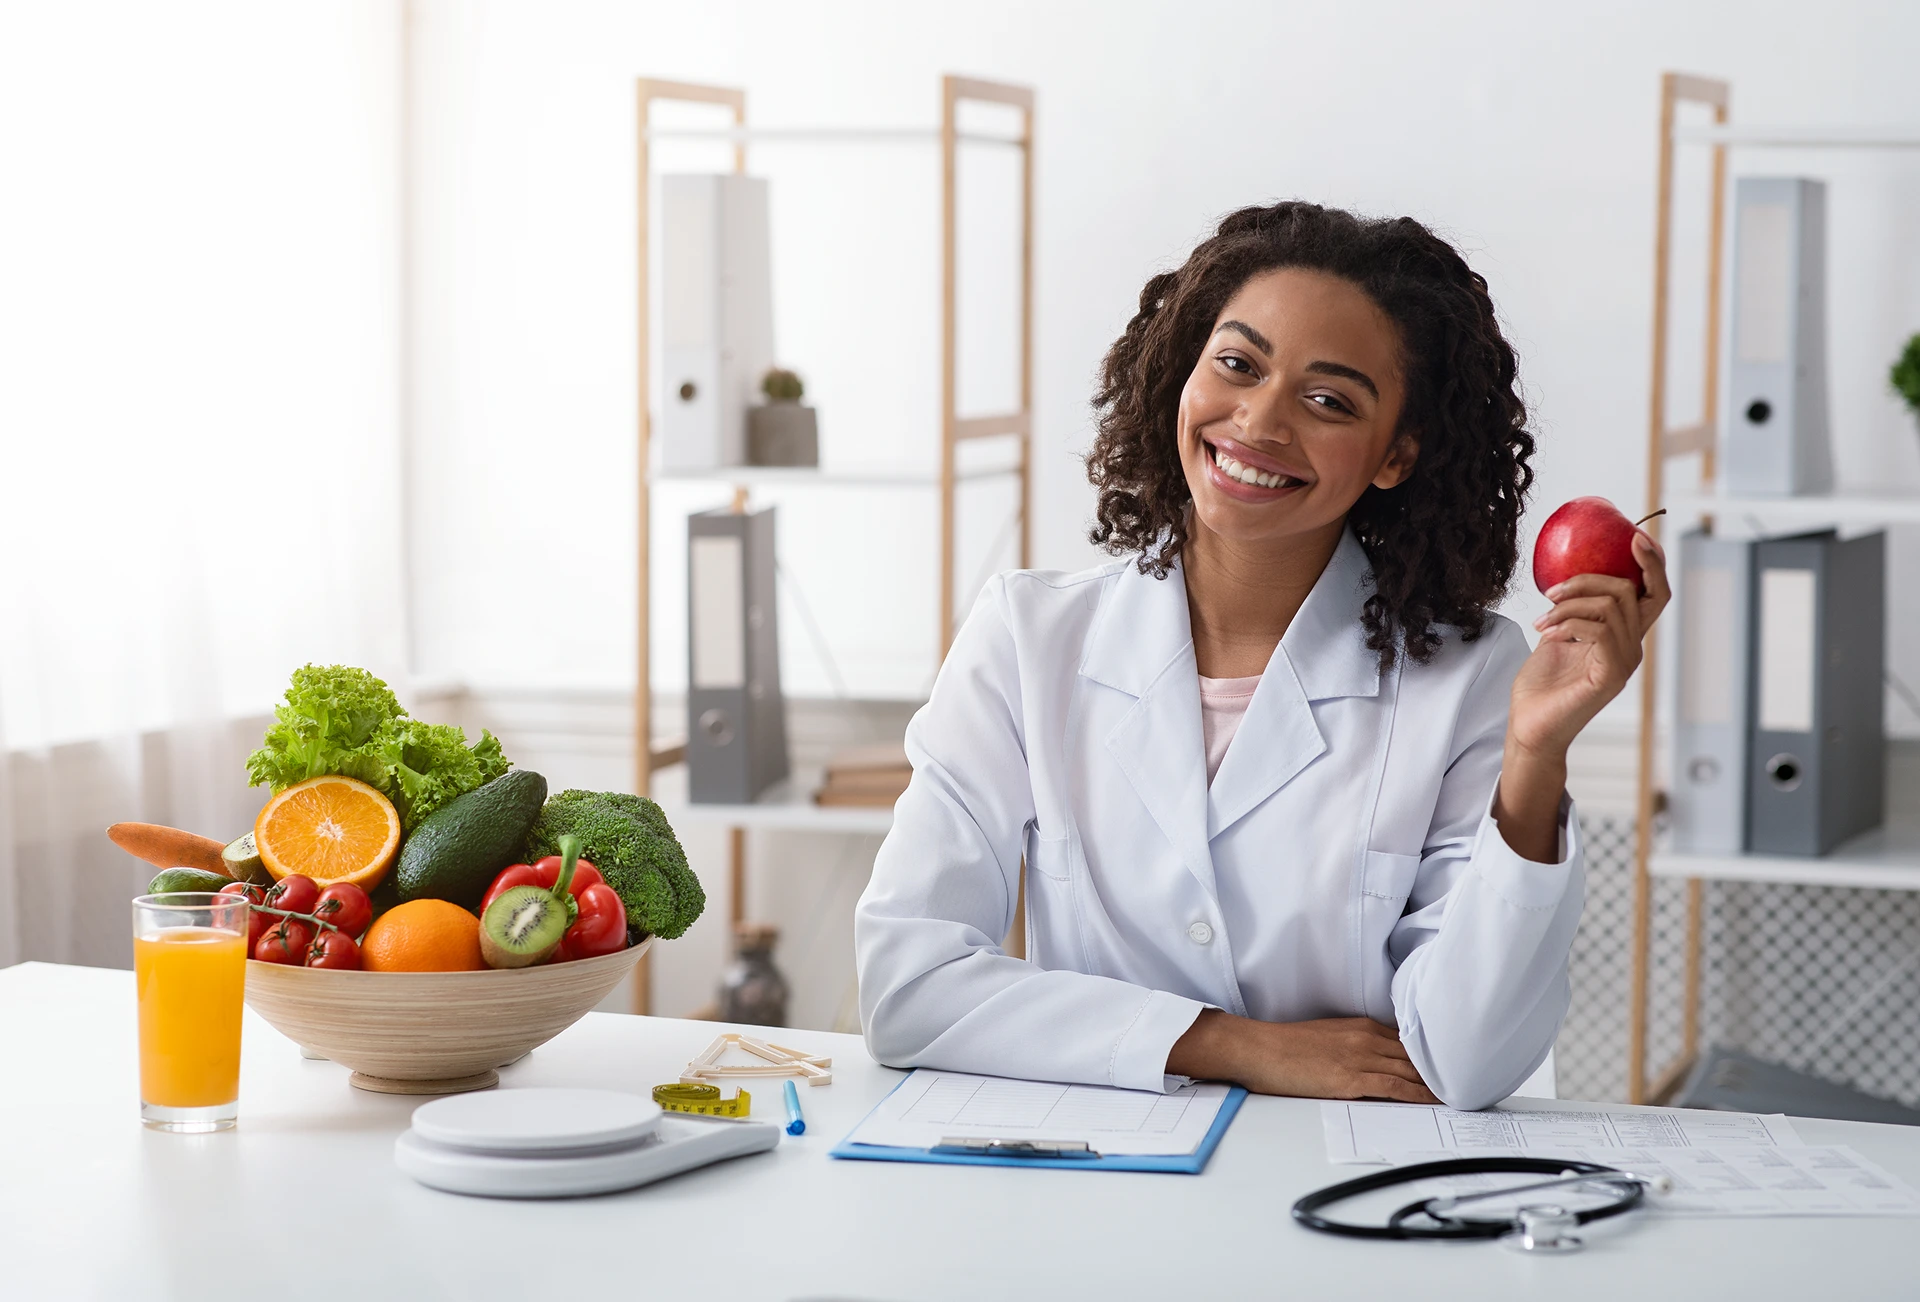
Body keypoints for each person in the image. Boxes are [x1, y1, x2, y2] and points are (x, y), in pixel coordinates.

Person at [853, 202, 1669, 1111]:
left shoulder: (1472, 677)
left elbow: (1462, 1060)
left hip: (1344, 1193)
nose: (1259, 421)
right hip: (1097, 1185)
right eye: (1237, 364)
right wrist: (1238, 1047)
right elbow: (906, 986)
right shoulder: (1028, 639)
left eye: (1328, 400)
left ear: (1396, 454)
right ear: (1184, 372)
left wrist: (1536, 758)